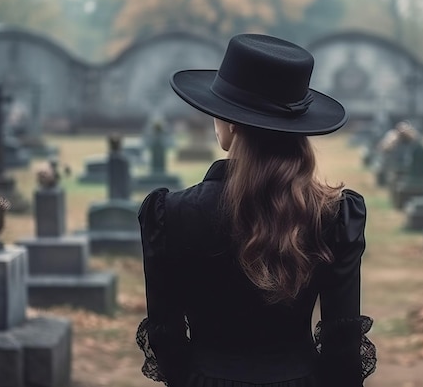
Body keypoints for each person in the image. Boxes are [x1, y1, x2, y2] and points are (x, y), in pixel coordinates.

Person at [136, 33, 376, 387]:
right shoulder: (334, 214)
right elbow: (342, 342)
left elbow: (166, 334)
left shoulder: (171, 213)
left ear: (231, 122)